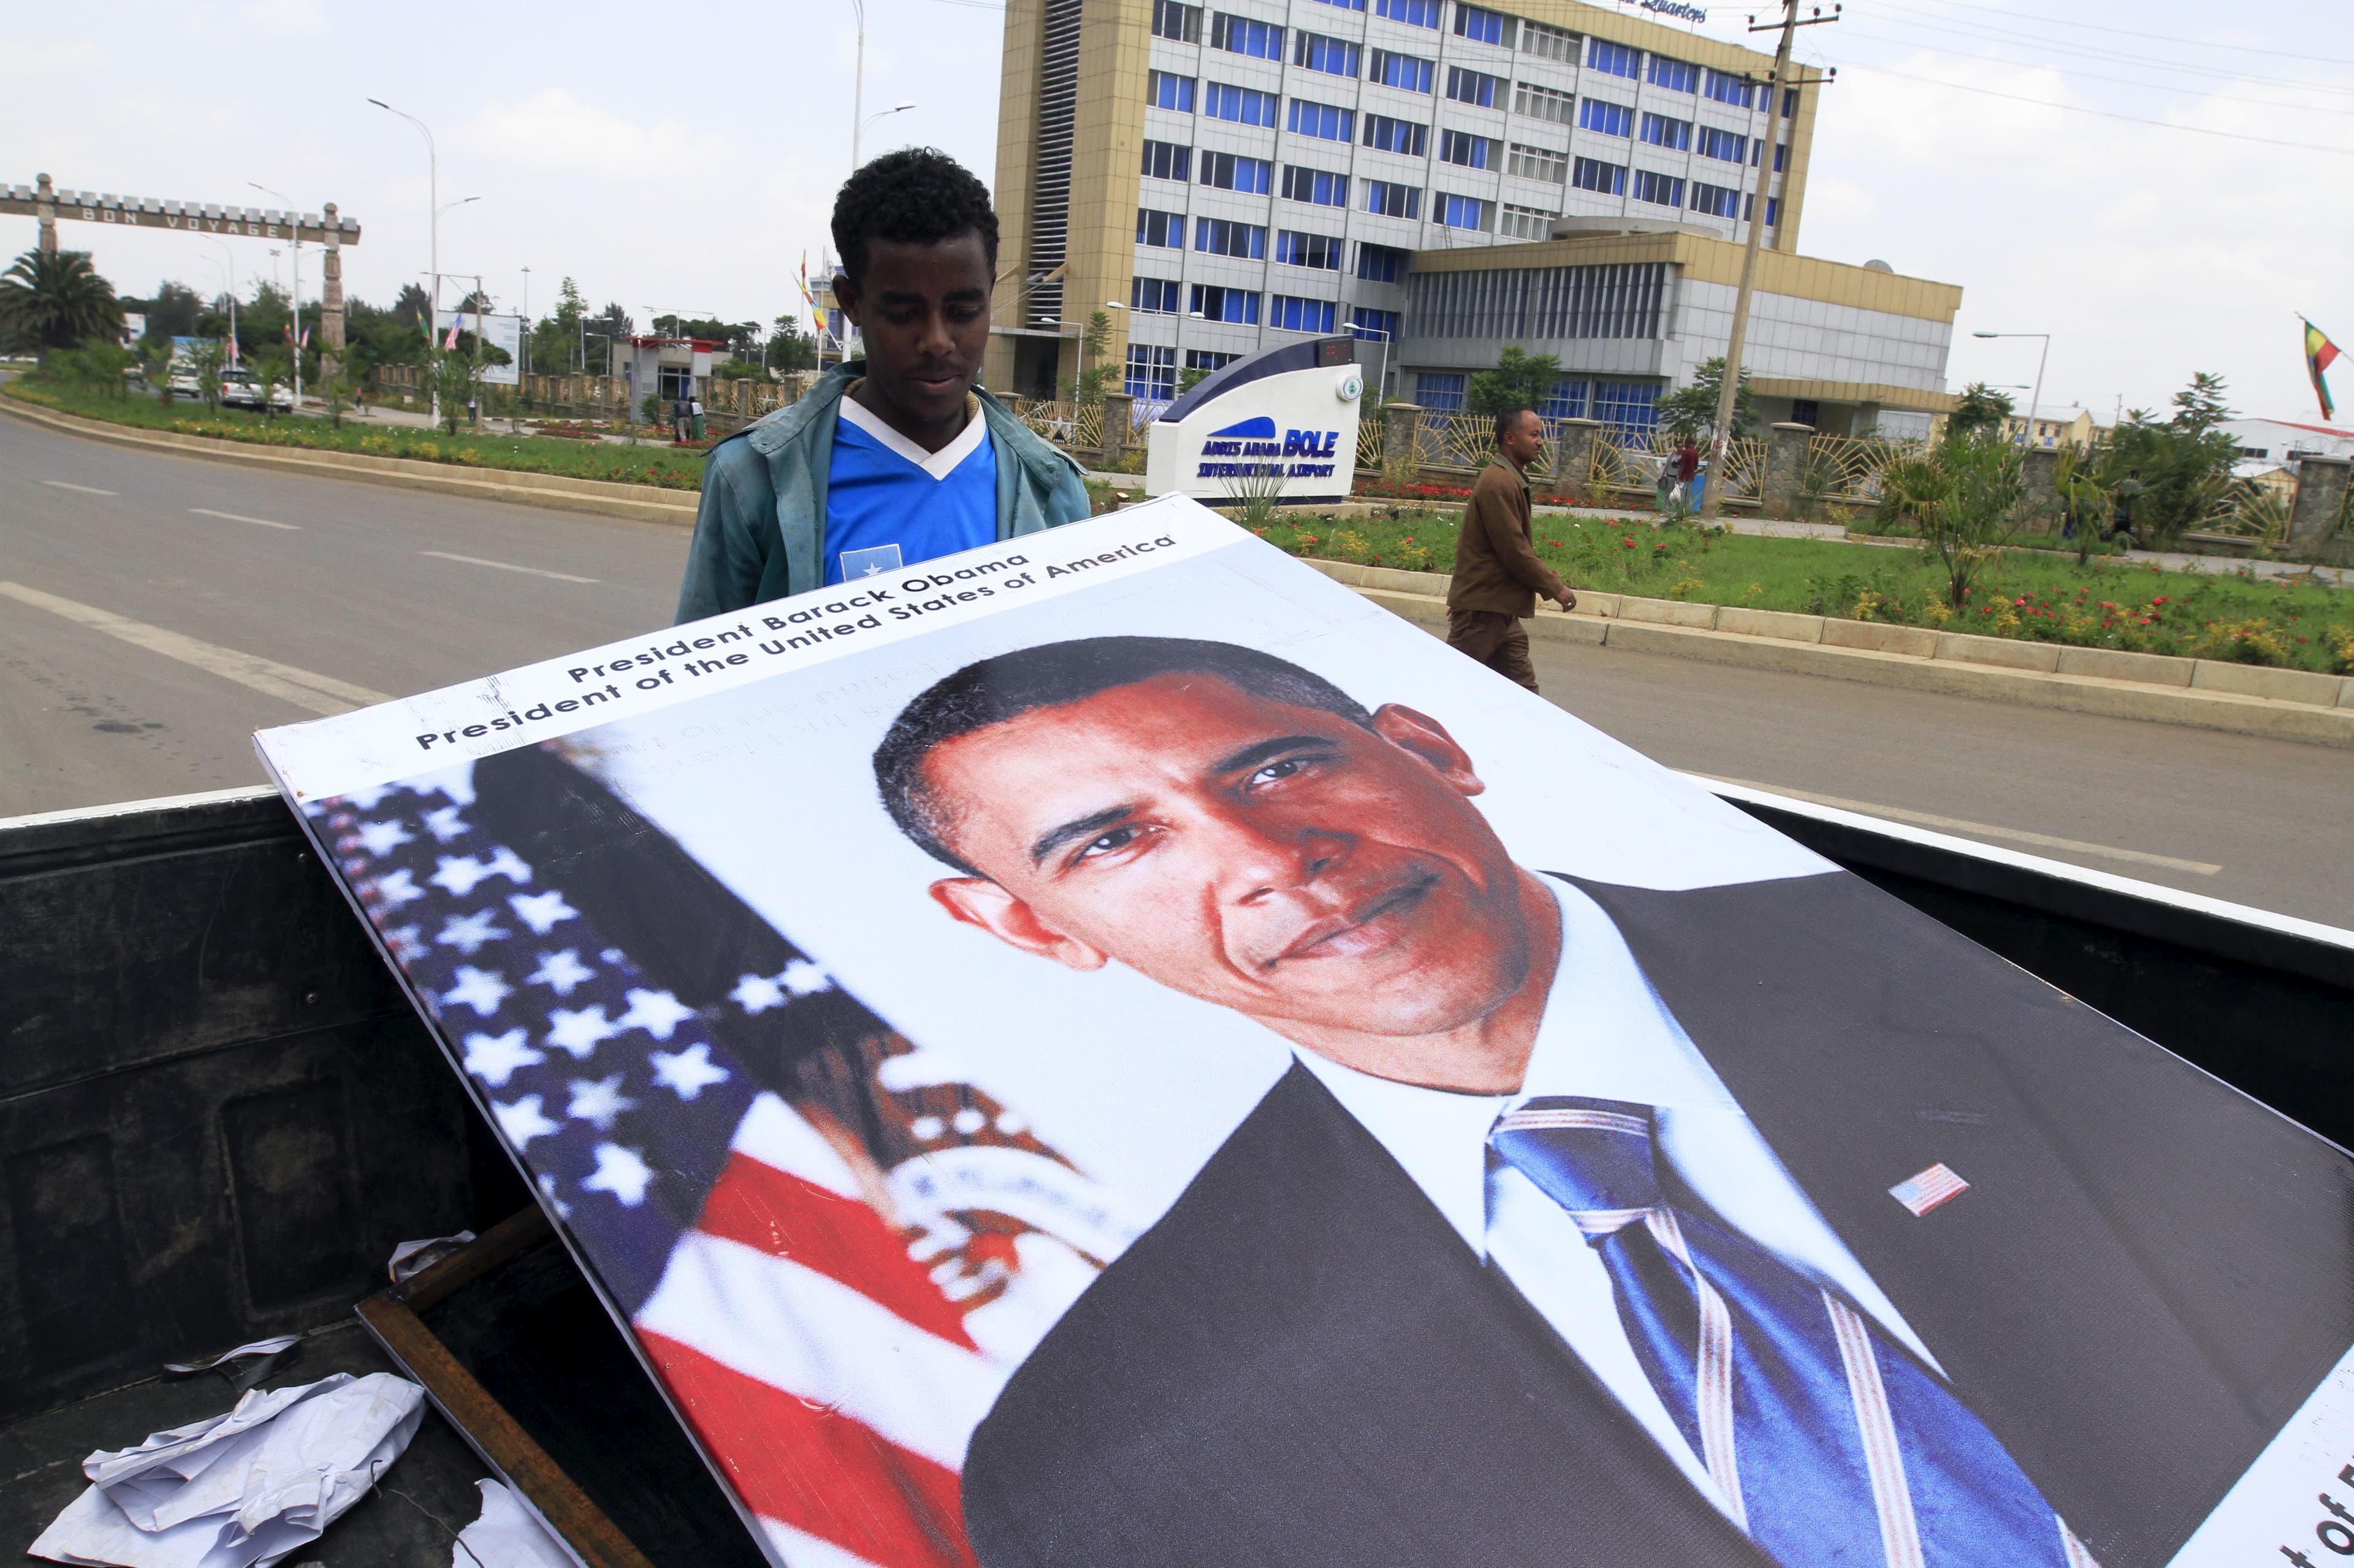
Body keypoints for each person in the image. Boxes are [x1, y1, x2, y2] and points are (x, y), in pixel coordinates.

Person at [866, 634, 2354, 1568]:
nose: (1270, 855)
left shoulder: (2023, 989)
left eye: (1278, 763)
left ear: (1431, 748)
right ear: (1026, 927)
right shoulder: (1107, 1456)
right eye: (1115, 839)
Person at [674, 148, 1091, 622]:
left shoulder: (1052, 487)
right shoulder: (755, 478)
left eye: (964, 311)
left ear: (990, 293)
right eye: (903, 314)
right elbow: (705, 674)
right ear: (852, 301)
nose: (937, 341)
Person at [1445, 408, 1575, 694]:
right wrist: (1555, 587)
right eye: (1534, 434)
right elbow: (1514, 549)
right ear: (1510, 438)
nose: (1541, 441)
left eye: (1541, 434)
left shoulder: (1509, 480)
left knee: (1525, 693)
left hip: (1501, 611)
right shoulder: (1498, 482)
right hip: (1482, 611)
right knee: (1452, 688)